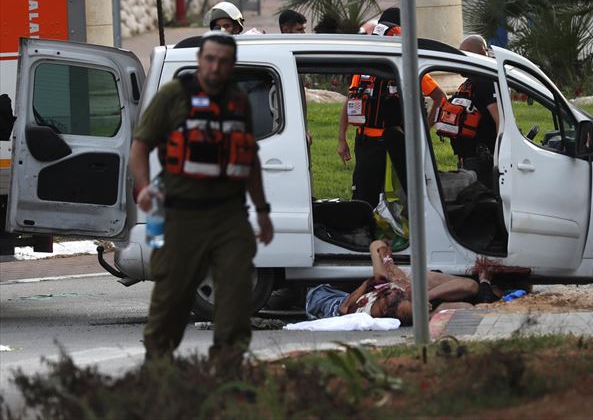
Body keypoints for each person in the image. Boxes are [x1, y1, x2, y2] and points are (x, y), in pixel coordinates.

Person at [129, 31, 274, 372]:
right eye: (209, 59)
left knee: (237, 294)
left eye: (223, 62)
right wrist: (145, 187)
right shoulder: (173, 97)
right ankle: (158, 367)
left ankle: (227, 368)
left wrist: (263, 211)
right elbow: (140, 145)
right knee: (173, 297)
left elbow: (248, 158)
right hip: (181, 215)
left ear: (231, 65)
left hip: (229, 216)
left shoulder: (239, 101)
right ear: (199, 61)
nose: (214, 67)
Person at [337, 8, 445, 208]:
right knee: (364, 196)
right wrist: (342, 138)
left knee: (404, 196)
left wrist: (423, 131)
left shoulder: (407, 67)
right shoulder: (364, 69)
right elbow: (350, 100)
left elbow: (439, 97)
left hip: (394, 143)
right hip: (365, 143)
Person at [305, 240, 479, 324]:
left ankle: (425, 296)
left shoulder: (385, 286)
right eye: (399, 292)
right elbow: (344, 310)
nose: (399, 289)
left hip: (324, 298)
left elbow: (377, 245)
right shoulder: (370, 313)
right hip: (331, 303)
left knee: (472, 287)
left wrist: (390, 265)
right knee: (468, 294)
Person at [435, 35, 501, 188]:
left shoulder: (487, 83)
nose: (461, 61)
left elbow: (500, 120)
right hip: (467, 159)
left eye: (466, 55)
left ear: (482, 54)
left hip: (483, 160)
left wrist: (499, 156)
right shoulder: (468, 84)